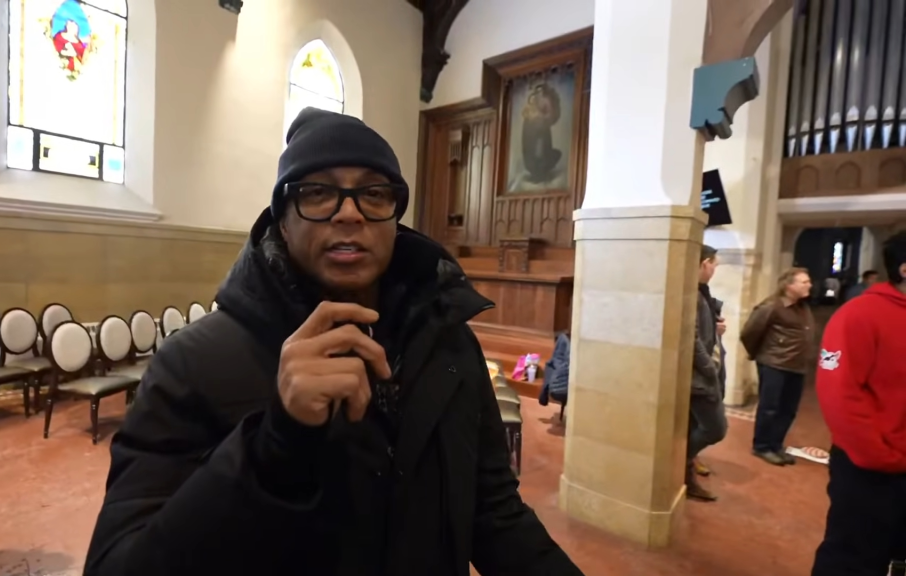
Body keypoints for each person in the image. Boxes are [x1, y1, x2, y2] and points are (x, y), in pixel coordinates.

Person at [84, 108, 584, 576]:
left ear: (394, 217)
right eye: (318, 192)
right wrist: (274, 445)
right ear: (282, 217)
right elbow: (120, 563)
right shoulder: (193, 363)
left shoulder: (449, 344)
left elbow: (493, 512)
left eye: (375, 193)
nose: (350, 214)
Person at [810, 232, 906, 576]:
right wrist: (883, 457)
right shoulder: (860, 314)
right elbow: (840, 396)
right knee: (854, 557)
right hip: (872, 468)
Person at [739, 267, 815, 466]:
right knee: (769, 408)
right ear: (789, 285)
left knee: (788, 409)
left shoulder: (802, 307)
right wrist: (762, 356)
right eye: (804, 282)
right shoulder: (771, 306)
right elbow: (749, 333)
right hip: (775, 364)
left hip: (796, 366)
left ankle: (776, 444)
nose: (809, 285)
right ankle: (762, 446)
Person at [685, 245, 728, 501]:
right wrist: (709, 368)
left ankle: (685, 477)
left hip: (703, 375)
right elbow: (691, 339)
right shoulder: (692, 292)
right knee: (716, 428)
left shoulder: (702, 292)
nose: (714, 270)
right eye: (714, 264)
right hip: (699, 378)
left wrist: (716, 329)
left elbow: (703, 330)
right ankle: (681, 459)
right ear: (703, 263)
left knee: (693, 426)